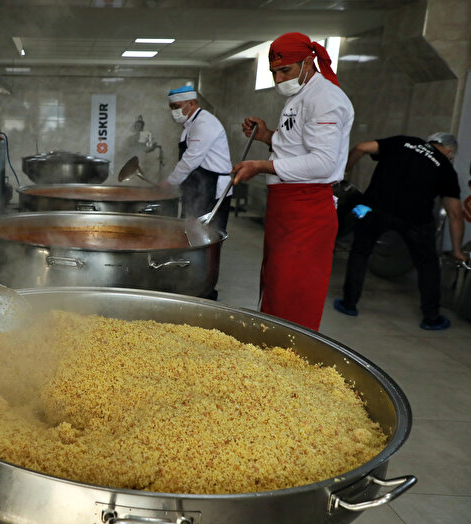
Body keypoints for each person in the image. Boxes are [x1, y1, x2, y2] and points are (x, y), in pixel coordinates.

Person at [232, 33, 354, 331]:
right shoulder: (298, 97)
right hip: (286, 207)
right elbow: (296, 146)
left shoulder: (324, 98)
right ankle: (270, 354)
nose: (278, 78)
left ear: (308, 62)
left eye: (285, 70)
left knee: (294, 295)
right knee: (275, 285)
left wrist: (262, 166)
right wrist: (266, 136)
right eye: (273, 72)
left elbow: (323, 163)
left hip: (308, 208)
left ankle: (288, 363)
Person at [333, 133, 467, 330]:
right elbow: (455, 214)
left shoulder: (405, 141)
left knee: (360, 252)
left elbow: (361, 147)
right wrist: (457, 249)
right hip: (416, 221)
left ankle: (349, 304)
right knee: (428, 266)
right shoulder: (446, 169)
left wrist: (345, 172)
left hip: (375, 209)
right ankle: (431, 317)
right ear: (448, 151)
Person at [162, 85, 233, 232]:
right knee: (190, 231)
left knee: (208, 234)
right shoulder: (191, 124)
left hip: (212, 188)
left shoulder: (204, 123)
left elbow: (190, 160)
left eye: (177, 106)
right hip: (198, 185)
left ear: (192, 103)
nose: (174, 111)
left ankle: (202, 256)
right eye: (171, 107)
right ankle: (188, 255)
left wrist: (170, 182)